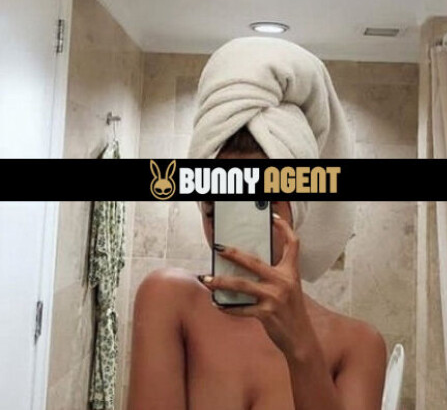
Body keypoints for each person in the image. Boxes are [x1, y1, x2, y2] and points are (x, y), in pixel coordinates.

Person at [127, 125, 387, 410]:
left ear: (295, 211)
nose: (239, 230)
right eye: (217, 210)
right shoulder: (168, 299)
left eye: (259, 205)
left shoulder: (358, 345)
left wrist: (301, 347)